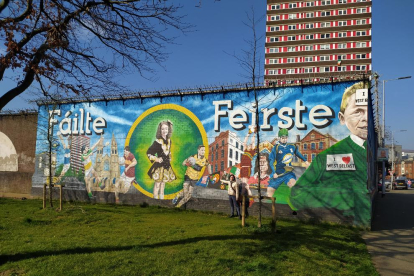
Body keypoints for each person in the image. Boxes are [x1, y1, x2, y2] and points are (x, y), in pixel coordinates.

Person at [289, 82, 370, 226]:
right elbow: (296, 194)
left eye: (367, 111)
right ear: (342, 118)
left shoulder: (371, 149)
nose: (365, 118)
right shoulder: (326, 157)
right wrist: (343, 195)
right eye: (358, 111)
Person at [267, 128, 309, 197]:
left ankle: (295, 202)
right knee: (269, 193)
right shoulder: (276, 148)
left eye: (286, 138)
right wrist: (274, 173)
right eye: (283, 138)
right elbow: (271, 161)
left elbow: (297, 153)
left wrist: (305, 161)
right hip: (278, 174)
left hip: (288, 173)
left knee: (293, 185)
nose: (284, 139)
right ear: (279, 138)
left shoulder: (292, 146)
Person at [147, 120, 176, 199]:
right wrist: (156, 159)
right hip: (159, 167)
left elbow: (168, 152)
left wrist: (169, 157)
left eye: (166, 129)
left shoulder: (169, 141)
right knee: (157, 184)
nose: (164, 131)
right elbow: (149, 152)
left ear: (168, 130)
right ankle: (155, 200)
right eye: (162, 129)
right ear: (160, 130)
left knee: (163, 184)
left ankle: (162, 200)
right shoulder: (157, 142)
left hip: (166, 166)